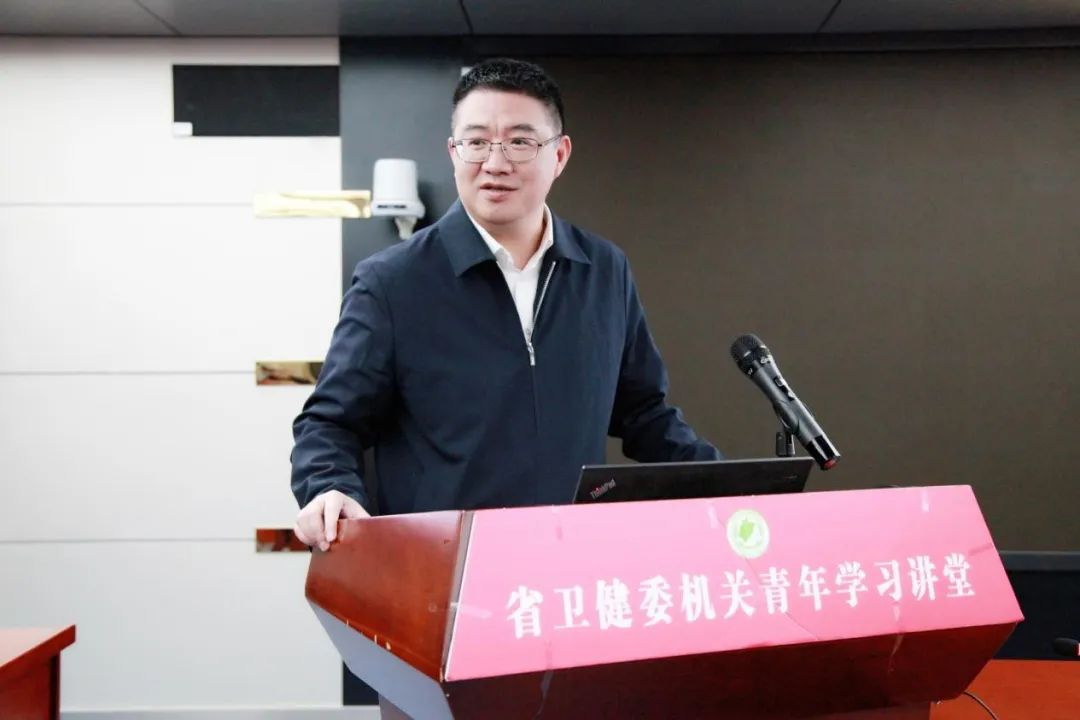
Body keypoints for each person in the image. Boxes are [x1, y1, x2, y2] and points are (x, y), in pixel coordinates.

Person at [291, 58, 720, 550]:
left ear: (559, 155)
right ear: (453, 152)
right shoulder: (393, 281)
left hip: (571, 562)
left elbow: (644, 413)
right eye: (476, 142)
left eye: (520, 142)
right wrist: (329, 486)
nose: (495, 163)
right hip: (443, 565)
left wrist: (735, 485)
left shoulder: (603, 270)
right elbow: (330, 422)